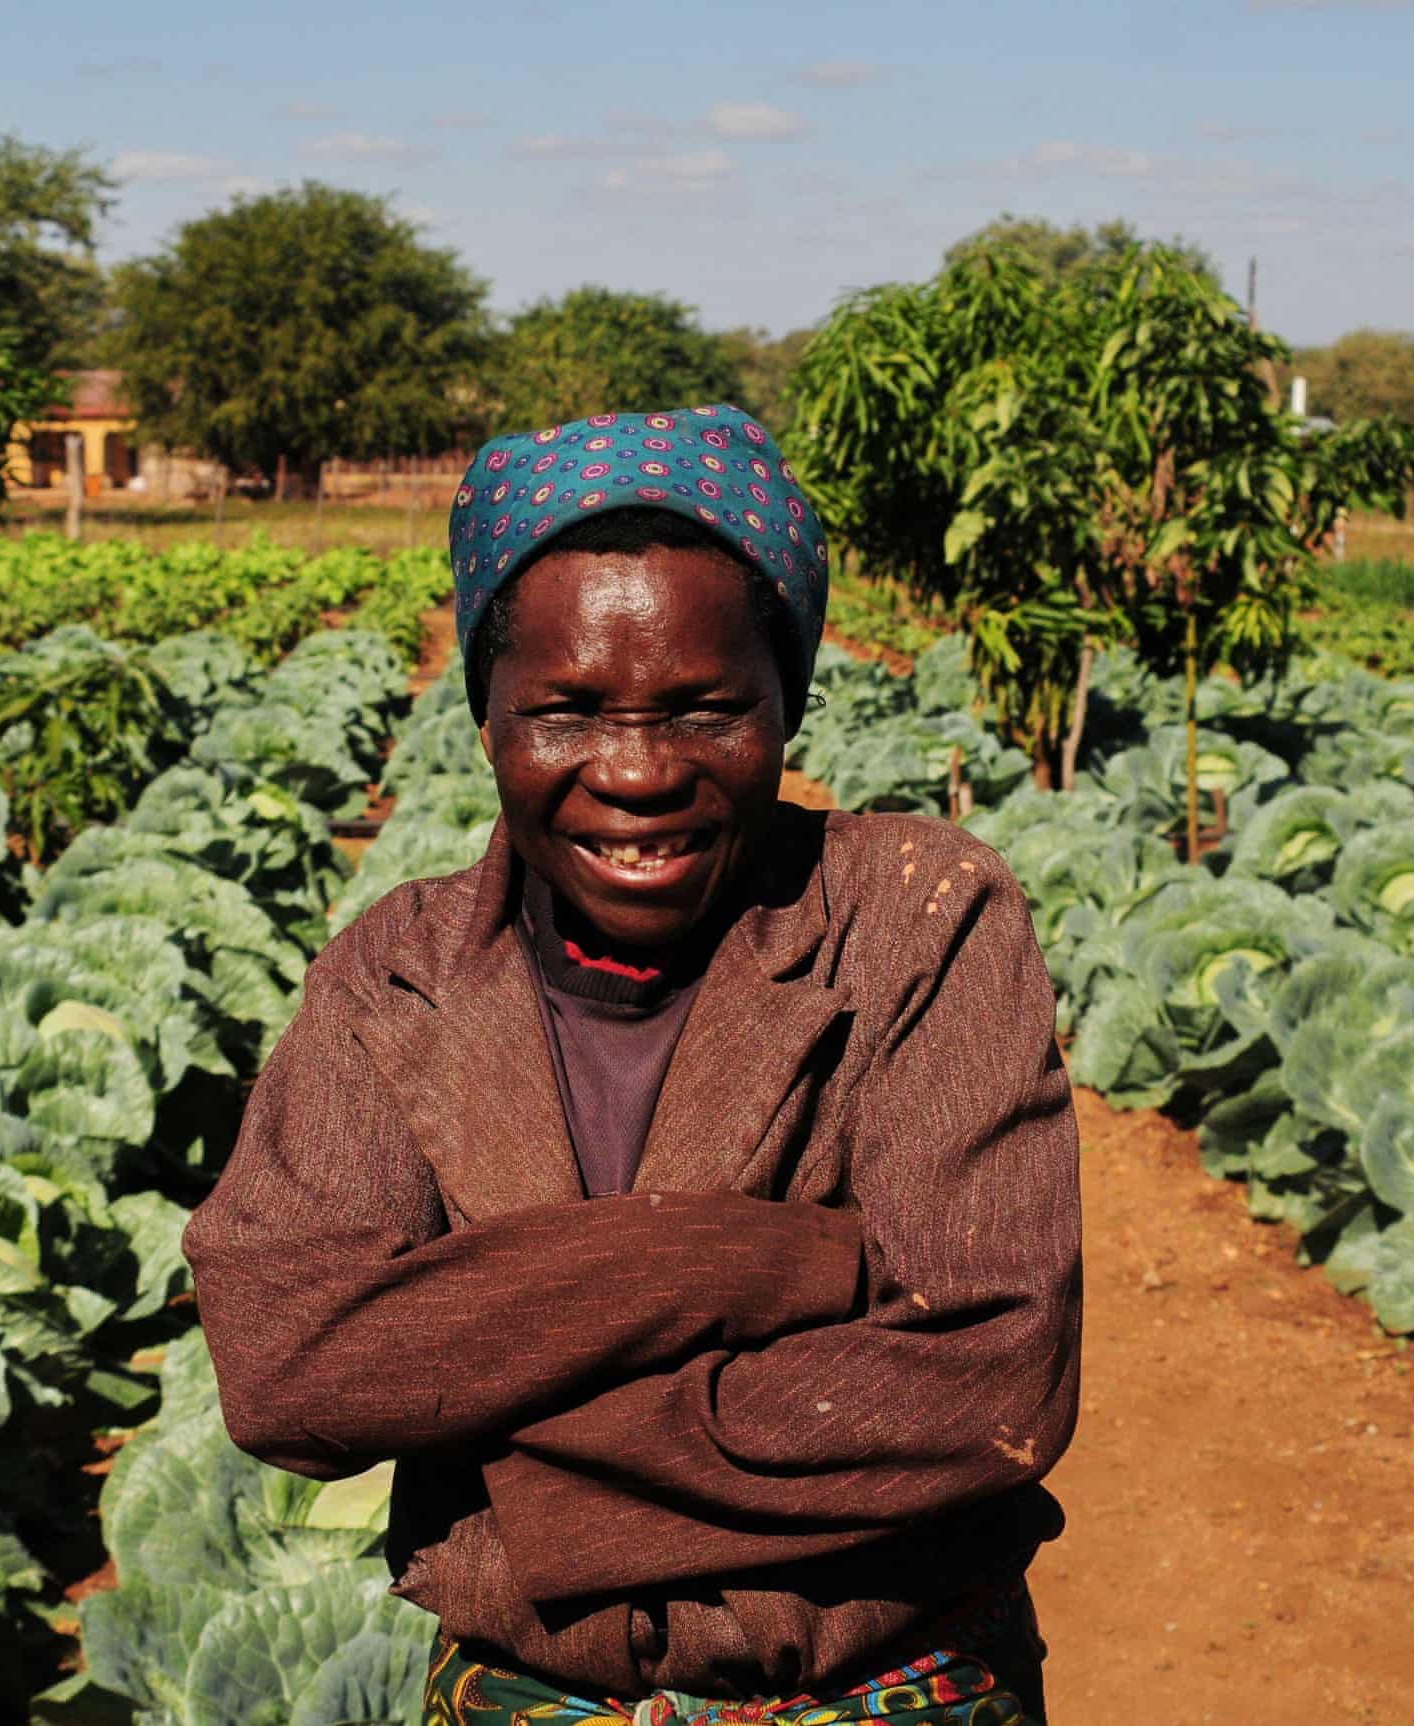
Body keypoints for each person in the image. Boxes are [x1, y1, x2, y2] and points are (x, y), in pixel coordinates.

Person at [183, 405, 1082, 1723]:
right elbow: (287, 1366)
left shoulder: (916, 917)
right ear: (487, 718)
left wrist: (511, 1461)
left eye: (707, 707)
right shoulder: (399, 973)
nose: (640, 770)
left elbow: (990, 1381)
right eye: (566, 710)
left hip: (885, 1687)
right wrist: (746, 1266)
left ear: (788, 704)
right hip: (524, 1692)